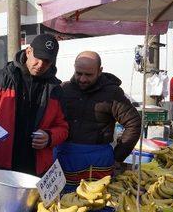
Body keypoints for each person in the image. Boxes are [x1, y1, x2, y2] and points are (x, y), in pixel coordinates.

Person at [0, 33, 69, 177]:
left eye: (47, 61)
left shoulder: (55, 89)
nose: (41, 65)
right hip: (1, 168)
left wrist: (50, 137)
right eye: (38, 58)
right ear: (28, 51)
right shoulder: (2, 78)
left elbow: (63, 128)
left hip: (38, 171)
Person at [59, 51, 141, 185]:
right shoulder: (64, 89)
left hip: (97, 163)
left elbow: (134, 123)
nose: (83, 79)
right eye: (79, 73)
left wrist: (118, 156)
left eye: (89, 75)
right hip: (64, 158)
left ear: (100, 71)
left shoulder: (112, 93)